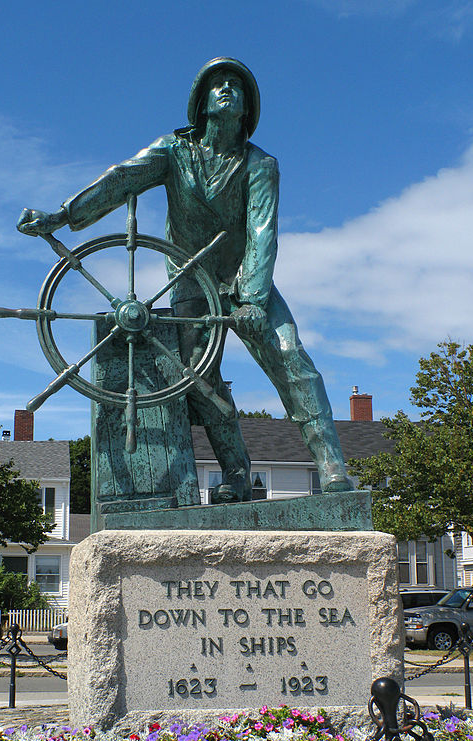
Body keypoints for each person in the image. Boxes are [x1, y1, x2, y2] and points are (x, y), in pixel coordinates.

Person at [18, 57, 352, 500]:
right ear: (201, 101)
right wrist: (64, 215)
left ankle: (332, 469)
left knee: (293, 361)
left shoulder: (260, 165)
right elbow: (121, 179)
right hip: (192, 283)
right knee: (202, 380)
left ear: (248, 107)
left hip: (245, 279)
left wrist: (252, 297)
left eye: (237, 84)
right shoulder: (173, 151)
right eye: (218, 83)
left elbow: (261, 231)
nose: (228, 88)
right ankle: (236, 476)